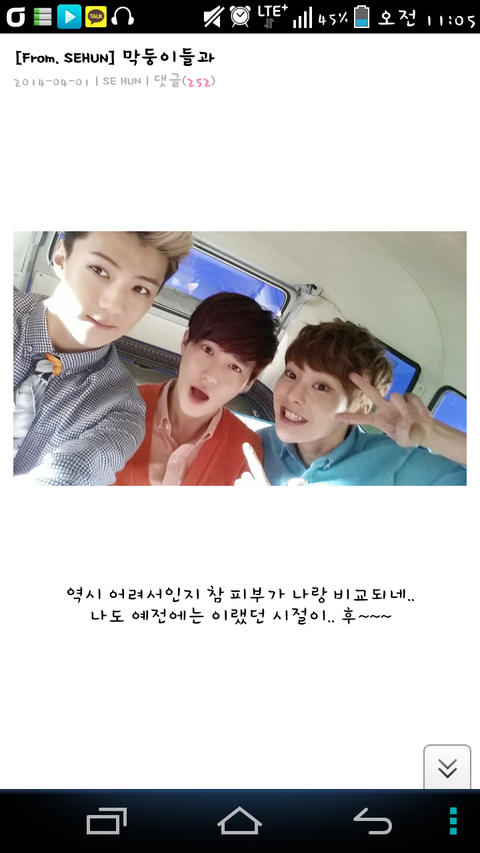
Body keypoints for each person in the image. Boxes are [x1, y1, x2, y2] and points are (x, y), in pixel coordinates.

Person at [14, 230, 193, 485]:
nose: (113, 305)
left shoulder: (120, 410)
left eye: (140, 289)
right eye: (99, 270)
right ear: (61, 257)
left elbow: (73, 475)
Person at [238, 319, 466, 486]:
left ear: (360, 408)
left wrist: (432, 434)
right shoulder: (256, 445)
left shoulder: (396, 463)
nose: (294, 395)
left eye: (321, 387)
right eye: (291, 374)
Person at [114, 292, 279, 485]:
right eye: (208, 350)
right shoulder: (117, 406)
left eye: (234, 367)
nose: (211, 376)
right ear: (185, 341)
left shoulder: (247, 453)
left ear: (249, 382)